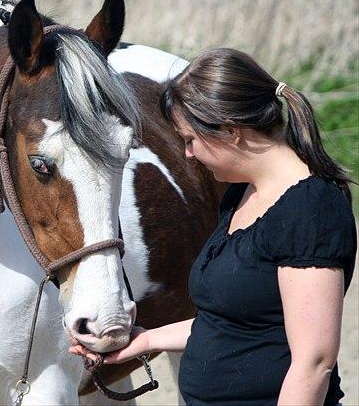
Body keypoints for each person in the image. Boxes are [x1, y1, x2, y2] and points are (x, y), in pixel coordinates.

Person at [70, 48, 356, 405]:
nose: (188, 154)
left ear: (230, 131)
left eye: (190, 140)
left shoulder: (310, 211)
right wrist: (145, 340)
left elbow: (313, 363)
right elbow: (232, 325)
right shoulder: (241, 195)